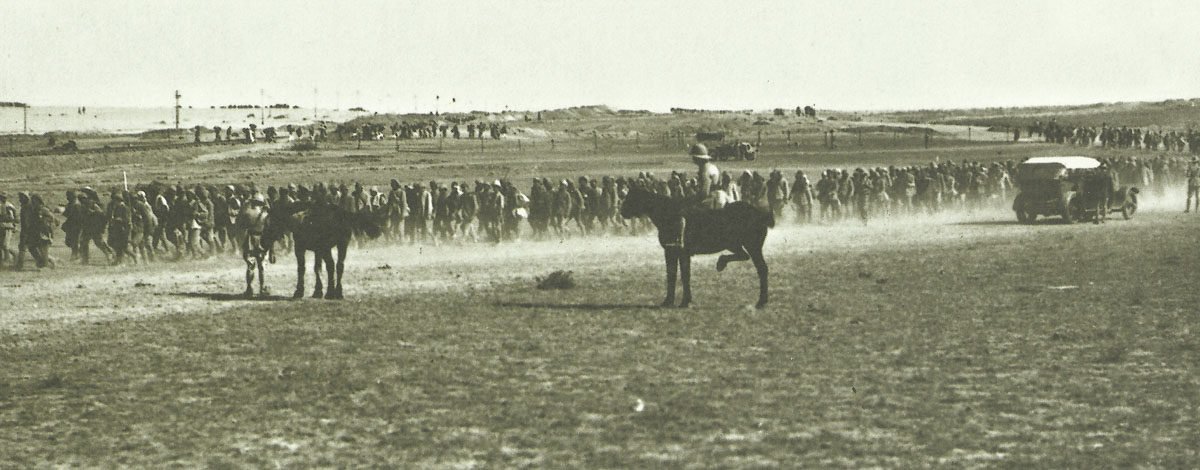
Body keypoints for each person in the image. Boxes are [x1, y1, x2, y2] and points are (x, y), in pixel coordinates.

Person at [236, 193, 273, 297]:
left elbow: (241, 226)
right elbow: (269, 229)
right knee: (262, 266)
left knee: (250, 266)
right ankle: (262, 288)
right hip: (262, 240)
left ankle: (249, 288)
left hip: (250, 240)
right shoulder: (266, 215)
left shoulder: (247, 213)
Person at [0, 193, 17, 266]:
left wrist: (13, 225)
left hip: (7, 227)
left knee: (5, 245)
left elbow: (13, 217)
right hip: (3, 226)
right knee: (2, 245)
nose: (3, 199)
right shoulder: (5, 205)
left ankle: (9, 259)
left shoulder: (9, 206)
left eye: (4, 197)